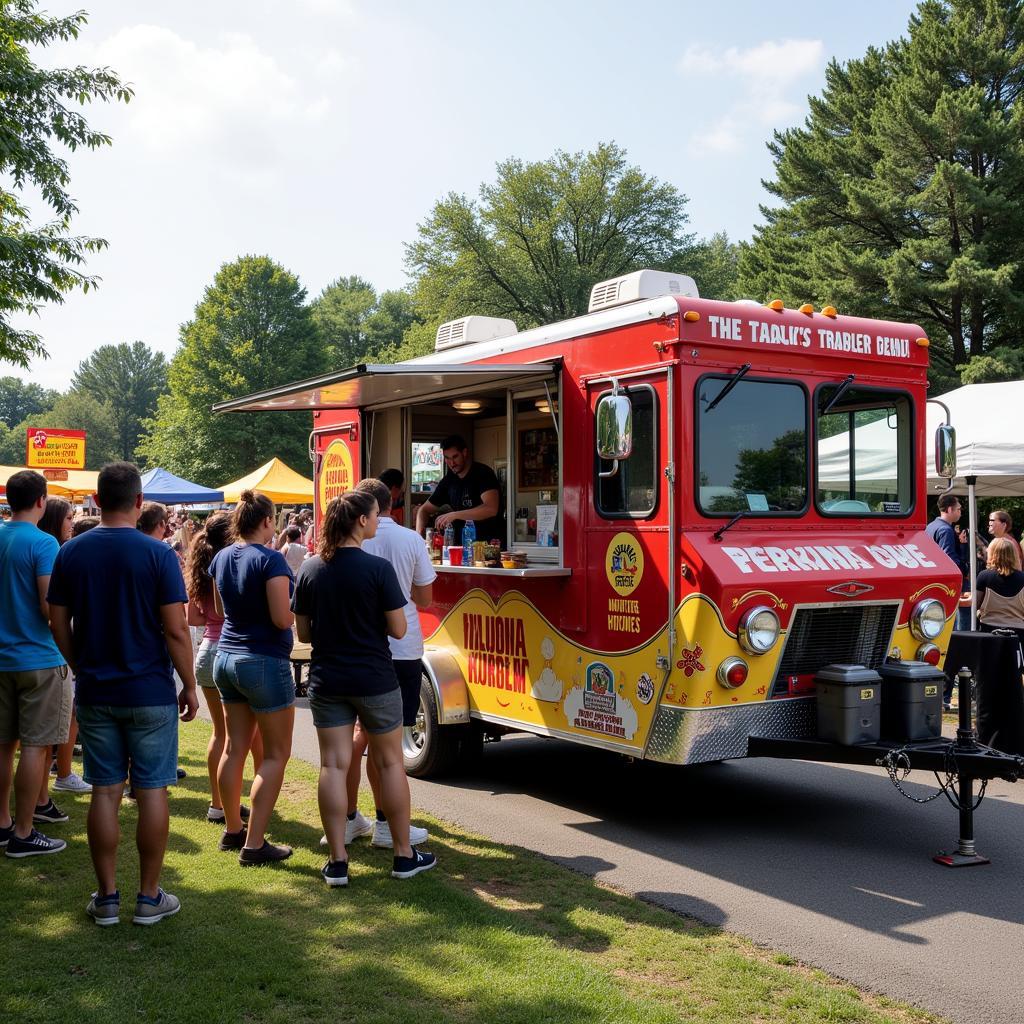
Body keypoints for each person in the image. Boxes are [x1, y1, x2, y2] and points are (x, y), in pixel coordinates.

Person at [47, 462, 199, 925]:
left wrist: (80, 665)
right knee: (152, 790)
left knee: (104, 791)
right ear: (138, 502)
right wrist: (190, 684)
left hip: (97, 689)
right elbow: (175, 629)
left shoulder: (71, 552)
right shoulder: (158, 554)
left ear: (96, 499)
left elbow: (57, 622)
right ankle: (149, 897)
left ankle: (107, 896)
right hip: (150, 689)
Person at [293, 490, 436, 887]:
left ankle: (337, 861)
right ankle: (403, 855)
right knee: (390, 762)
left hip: (328, 679)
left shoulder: (309, 569)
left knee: (333, 765)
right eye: (374, 515)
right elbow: (399, 628)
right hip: (374, 677)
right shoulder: (377, 569)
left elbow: (303, 631)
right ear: (359, 522)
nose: (378, 521)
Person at [209, 489, 295, 866]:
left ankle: (233, 828)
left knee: (233, 747)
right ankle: (255, 843)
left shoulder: (221, 556)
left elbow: (218, 607)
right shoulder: (271, 560)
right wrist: (300, 611)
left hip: (225, 656)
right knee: (276, 754)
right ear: (266, 522)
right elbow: (281, 618)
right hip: (262, 659)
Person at [350, 477, 434, 849]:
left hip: (364, 647)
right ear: (390, 503)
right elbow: (426, 598)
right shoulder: (409, 539)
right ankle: (387, 823)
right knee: (391, 744)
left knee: (360, 739)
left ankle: (353, 816)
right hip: (403, 648)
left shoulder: (352, 540)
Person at [0, 471, 71, 858]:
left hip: (3, 658)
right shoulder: (44, 544)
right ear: (42, 502)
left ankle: (3, 824)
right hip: (39, 658)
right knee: (35, 746)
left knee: (2, 745)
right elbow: (49, 605)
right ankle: (24, 832)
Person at [185, 512, 261, 825]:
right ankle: (258, 799)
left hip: (207, 654)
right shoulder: (235, 564)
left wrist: (213, 621)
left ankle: (219, 805)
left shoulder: (201, 567)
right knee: (251, 738)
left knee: (221, 735)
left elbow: (193, 617)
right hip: (235, 650)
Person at [38, 497, 91, 797]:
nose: (72, 523)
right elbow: (53, 614)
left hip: (37, 649)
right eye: (69, 517)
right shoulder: (52, 550)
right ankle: (61, 775)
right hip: (48, 650)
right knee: (58, 723)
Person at [414, 434, 503, 545]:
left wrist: (455, 515)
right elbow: (424, 510)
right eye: (447, 458)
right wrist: (418, 537)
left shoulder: (483, 473)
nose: (452, 463)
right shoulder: (449, 480)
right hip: (462, 548)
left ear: (464, 453)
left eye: (455, 457)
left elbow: (491, 508)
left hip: (490, 545)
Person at [976, 537, 1024, 639]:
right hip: (1018, 633)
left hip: (988, 631)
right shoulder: (1022, 578)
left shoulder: (984, 576)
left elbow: (976, 604)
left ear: (992, 554)